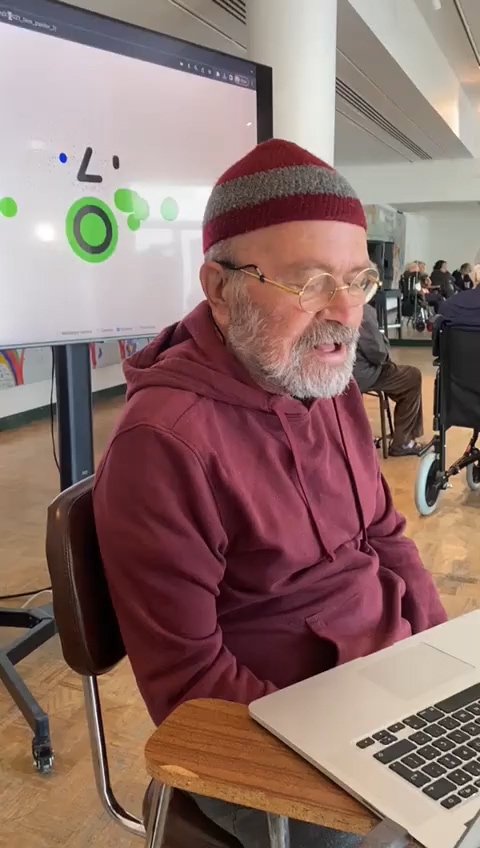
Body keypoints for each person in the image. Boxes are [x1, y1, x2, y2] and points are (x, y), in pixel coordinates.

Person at [93, 139, 446, 848]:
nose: (345, 311)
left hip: (387, 690)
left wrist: (442, 663)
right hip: (274, 748)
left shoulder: (323, 381)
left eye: (358, 280)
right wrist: (349, 763)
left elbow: (385, 535)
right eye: (311, 283)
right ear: (220, 289)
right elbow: (190, 687)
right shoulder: (164, 446)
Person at [354, 304, 425, 455]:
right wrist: (384, 341)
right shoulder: (359, 310)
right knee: (412, 376)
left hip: (332, 375)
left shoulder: (317, 306)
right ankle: (403, 442)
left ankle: (359, 436)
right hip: (359, 376)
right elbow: (378, 353)